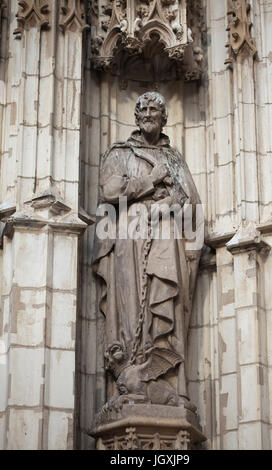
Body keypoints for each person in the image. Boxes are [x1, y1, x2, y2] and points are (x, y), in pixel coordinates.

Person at [92, 92, 204, 412]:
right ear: (137, 116)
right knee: (130, 307)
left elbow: (191, 201)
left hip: (166, 236)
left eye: (156, 110)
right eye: (144, 109)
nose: (149, 114)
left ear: (165, 118)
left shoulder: (174, 158)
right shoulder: (119, 153)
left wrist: (170, 204)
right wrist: (150, 180)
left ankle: (165, 379)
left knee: (165, 300)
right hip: (129, 236)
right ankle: (130, 372)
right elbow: (110, 190)